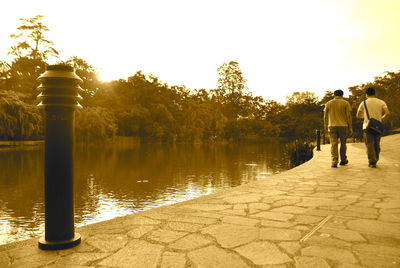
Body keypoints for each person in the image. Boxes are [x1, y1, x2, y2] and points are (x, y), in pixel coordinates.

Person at [356, 86, 390, 168]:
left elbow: (358, 115)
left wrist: (364, 116)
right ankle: (376, 158)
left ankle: (372, 161)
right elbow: (387, 113)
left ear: (366, 94)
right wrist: (382, 118)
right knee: (377, 143)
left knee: (369, 144)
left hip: (367, 126)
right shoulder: (381, 102)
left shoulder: (363, 103)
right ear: (375, 93)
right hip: (378, 126)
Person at [324, 90, 353, 168]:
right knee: (343, 143)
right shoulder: (345, 103)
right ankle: (343, 159)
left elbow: (325, 116)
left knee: (334, 143)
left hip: (332, 126)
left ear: (334, 95)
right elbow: (348, 116)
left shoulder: (328, 103)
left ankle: (334, 160)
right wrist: (350, 127)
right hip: (343, 126)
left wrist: (325, 126)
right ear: (342, 95)